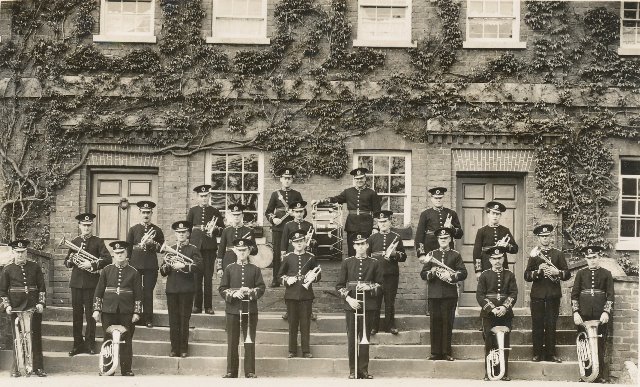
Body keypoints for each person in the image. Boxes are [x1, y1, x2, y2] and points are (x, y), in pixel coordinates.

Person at [336, 234, 384, 379]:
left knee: (365, 337)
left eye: (363, 244)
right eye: (358, 244)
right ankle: (353, 370)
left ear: (367, 246)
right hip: (351, 305)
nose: (361, 247)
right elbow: (339, 286)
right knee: (352, 339)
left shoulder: (375, 263)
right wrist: (349, 299)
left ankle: (363, 370)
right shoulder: (347, 262)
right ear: (354, 246)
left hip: (368, 305)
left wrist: (369, 287)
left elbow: (381, 285)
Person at [92, 241, 143, 377]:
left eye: (122, 253)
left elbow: (139, 295)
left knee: (126, 340)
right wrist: (97, 309)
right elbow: (98, 292)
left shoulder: (134, 273)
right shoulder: (106, 270)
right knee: (108, 338)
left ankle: (126, 369)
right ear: (113, 255)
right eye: (117, 253)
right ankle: (108, 369)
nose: (119, 255)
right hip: (108, 311)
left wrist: (137, 312)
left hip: (127, 312)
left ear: (127, 254)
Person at [64, 212, 112, 356]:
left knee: (91, 315)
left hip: (92, 284)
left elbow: (107, 259)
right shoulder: (74, 242)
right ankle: (77, 345)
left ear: (92, 226)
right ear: (79, 226)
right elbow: (67, 262)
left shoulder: (98, 241)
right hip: (76, 284)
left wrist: (91, 264)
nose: (86, 227)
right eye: (84, 225)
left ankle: (90, 344)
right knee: (77, 315)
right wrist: (71, 260)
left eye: (89, 225)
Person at [219, 238, 266, 378]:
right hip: (233, 310)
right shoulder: (229, 268)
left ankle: (250, 371)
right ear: (235, 251)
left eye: (244, 250)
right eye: (239, 250)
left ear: (249, 251)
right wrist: (234, 293)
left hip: (250, 310)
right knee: (232, 341)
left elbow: (261, 288)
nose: (241, 253)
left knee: (249, 341)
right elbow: (222, 289)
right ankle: (231, 371)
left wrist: (249, 292)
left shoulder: (255, 269)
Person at [524, 224, 571, 363]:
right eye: (542, 237)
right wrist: (538, 272)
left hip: (553, 294)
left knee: (551, 324)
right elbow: (526, 275)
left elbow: (567, 274)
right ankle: (537, 353)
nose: (545, 239)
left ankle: (551, 354)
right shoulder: (534, 255)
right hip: (537, 295)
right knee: (537, 324)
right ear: (538, 238)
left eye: (547, 236)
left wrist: (558, 272)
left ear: (551, 237)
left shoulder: (558, 254)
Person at [0, 240, 47, 377]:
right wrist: (7, 305)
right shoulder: (7, 269)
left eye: (23, 252)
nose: (21, 255)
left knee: (36, 336)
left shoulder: (35, 267)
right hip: (16, 307)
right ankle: (17, 368)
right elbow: (2, 291)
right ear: (13, 252)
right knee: (17, 338)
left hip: (33, 307)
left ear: (27, 252)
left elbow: (41, 287)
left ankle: (38, 367)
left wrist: (41, 303)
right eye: (18, 252)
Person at [419, 227, 467, 360]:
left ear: (450, 239)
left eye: (445, 238)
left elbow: (463, 272)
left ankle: (446, 352)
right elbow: (423, 274)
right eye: (441, 238)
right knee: (435, 323)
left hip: (449, 294)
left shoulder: (455, 255)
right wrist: (433, 272)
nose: (443, 240)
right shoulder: (432, 254)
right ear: (438, 239)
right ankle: (435, 352)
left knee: (447, 323)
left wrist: (451, 276)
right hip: (434, 294)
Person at [315, 167, 381, 258]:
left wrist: (375, 227)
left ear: (365, 178)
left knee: (366, 250)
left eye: (361, 178)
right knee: (352, 251)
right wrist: (321, 201)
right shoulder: (348, 192)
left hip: (367, 226)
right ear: (354, 179)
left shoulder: (372, 193)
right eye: (357, 179)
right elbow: (335, 199)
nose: (359, 180)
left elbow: (377, 211)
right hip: (352, 226)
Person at [571, 245, 614, 383]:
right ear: (586, 259)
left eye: (594, 257)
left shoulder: (606, 274)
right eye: (589, 258)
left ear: (599, 257)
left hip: (600, 316)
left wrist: (606, 312)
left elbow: (611, 295)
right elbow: (574, 295)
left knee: (600, 344)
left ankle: (599, 375)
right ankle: (586, 374)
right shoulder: (580, 274)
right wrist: (576, 313)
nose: (592, 260)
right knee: (584, 344)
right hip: (583, 316)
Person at [160, 221, 203, 357]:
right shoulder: (170, 248)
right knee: (173, 320)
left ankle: (184, 349)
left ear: (188, 234)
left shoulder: (193, 249)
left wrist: (183, 266)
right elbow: (162, 271)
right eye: (179, 233)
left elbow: (199, 266)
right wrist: (166, 267)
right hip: (172, 289)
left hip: (186, 290)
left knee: (184, 320)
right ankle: (174, 349)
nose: (181, 235)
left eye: (183, 232)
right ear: (175, 234)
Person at [476, 246, 517, 381]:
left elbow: (513, 293)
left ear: (503, 258)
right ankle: (489, 372)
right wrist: (492, 309)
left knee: (504, 343)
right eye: (494, 259)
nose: (497, 261)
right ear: (490, 260)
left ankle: (504, 372)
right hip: (489, 314)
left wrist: (505, 307)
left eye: (499, 258)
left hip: (505, 314)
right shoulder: (484, 275)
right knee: (489, 341)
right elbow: (480, 296)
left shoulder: (510, 275)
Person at [278, 230, 321, 358]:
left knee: (305, 323)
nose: (299, 244)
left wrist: (314, 277)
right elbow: (279, 275)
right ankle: (292, 350)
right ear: (292, 243)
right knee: (292, 323)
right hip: (291, 294)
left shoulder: (311, 257)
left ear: (304, 242)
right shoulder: (287, 257)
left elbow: (319, 275)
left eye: (301, 241)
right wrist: (286, 280)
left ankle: (306, 350)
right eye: (296, 242)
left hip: (306, 295)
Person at [366, 210, 406, 335]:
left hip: (391, 274)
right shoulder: (372, 238)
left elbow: (403, 256)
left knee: (390, 301)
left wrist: (394, 254)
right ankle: (374, 326)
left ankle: (390, 326)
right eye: (380, 222)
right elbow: (367, 258)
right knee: (375, 301)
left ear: (390, 222)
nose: (382, 224)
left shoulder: (396, 237)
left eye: (385, 221)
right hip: (376, 276)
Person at [187, 184, 225, 314]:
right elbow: (187, 230)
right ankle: (197, 306)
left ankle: (208, 306)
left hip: (210, 248)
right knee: (196, 277)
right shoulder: (192, 211)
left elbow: (222, 230)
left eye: (206, 196)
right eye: (201, 196)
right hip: (196, 248)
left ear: (209, 196)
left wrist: (215, 229)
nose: (204, 198)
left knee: (208, 278)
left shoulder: (215, 211)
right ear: (197, 197)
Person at [126, 201, 165, 327]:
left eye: (148, 212)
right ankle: (135, 316)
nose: (146, 215)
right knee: (135, 291)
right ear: (139, 213)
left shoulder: (157, 230)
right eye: (143, 212)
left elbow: (162, 249)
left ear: (152, 213)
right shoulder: (133, 229)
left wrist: (153, 244)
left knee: (148, 292)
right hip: (135, 264)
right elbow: (129, 248)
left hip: (150, 265)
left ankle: (148, 319)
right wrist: (129, 264)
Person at [265, 167, 304, 287]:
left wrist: (295, 214)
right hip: (278, 228)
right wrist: (273, 219)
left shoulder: (297, 194)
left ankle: (293, 277)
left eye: (289, 179)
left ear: (292, 180)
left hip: (293, 229)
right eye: (285, 178)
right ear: (281, 179)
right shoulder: (275, 194)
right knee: (277, 253)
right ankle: (276, 278)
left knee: (292, 252)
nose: (287, 181)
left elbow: (304, 212)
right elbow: (268, 211)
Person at [472, 201, 518, 278]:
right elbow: (476, 252)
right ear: (488, 215)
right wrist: (478, 270)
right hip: (486, 264)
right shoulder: (482, 231)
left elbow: (515, 249)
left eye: (497, 214)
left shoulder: (505, 230)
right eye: (493, 213)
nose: (495, 216)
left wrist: (506, 245)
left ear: (500, 216)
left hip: (502, 265)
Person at [415, 187, 463, 256]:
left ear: (443, 199)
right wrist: (421, 253)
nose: (438, 200)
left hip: (447, 250)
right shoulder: (425, 214)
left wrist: (451, 228)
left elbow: (459, 235)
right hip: (430, 249)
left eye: (440, 198)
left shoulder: (451, 213)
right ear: (431, 199)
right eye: (436, 198)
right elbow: (419, 236)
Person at [216, 203, 258, 277]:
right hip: (228, 261)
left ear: (242, 215)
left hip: (244, 262)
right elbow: (221, 250)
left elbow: (255, 250)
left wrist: (246, 248)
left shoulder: (249, 230)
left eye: (238, 214)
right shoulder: (226, 231)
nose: (236, 217)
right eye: (234, 215)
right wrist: (219, 268)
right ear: (231, 215)